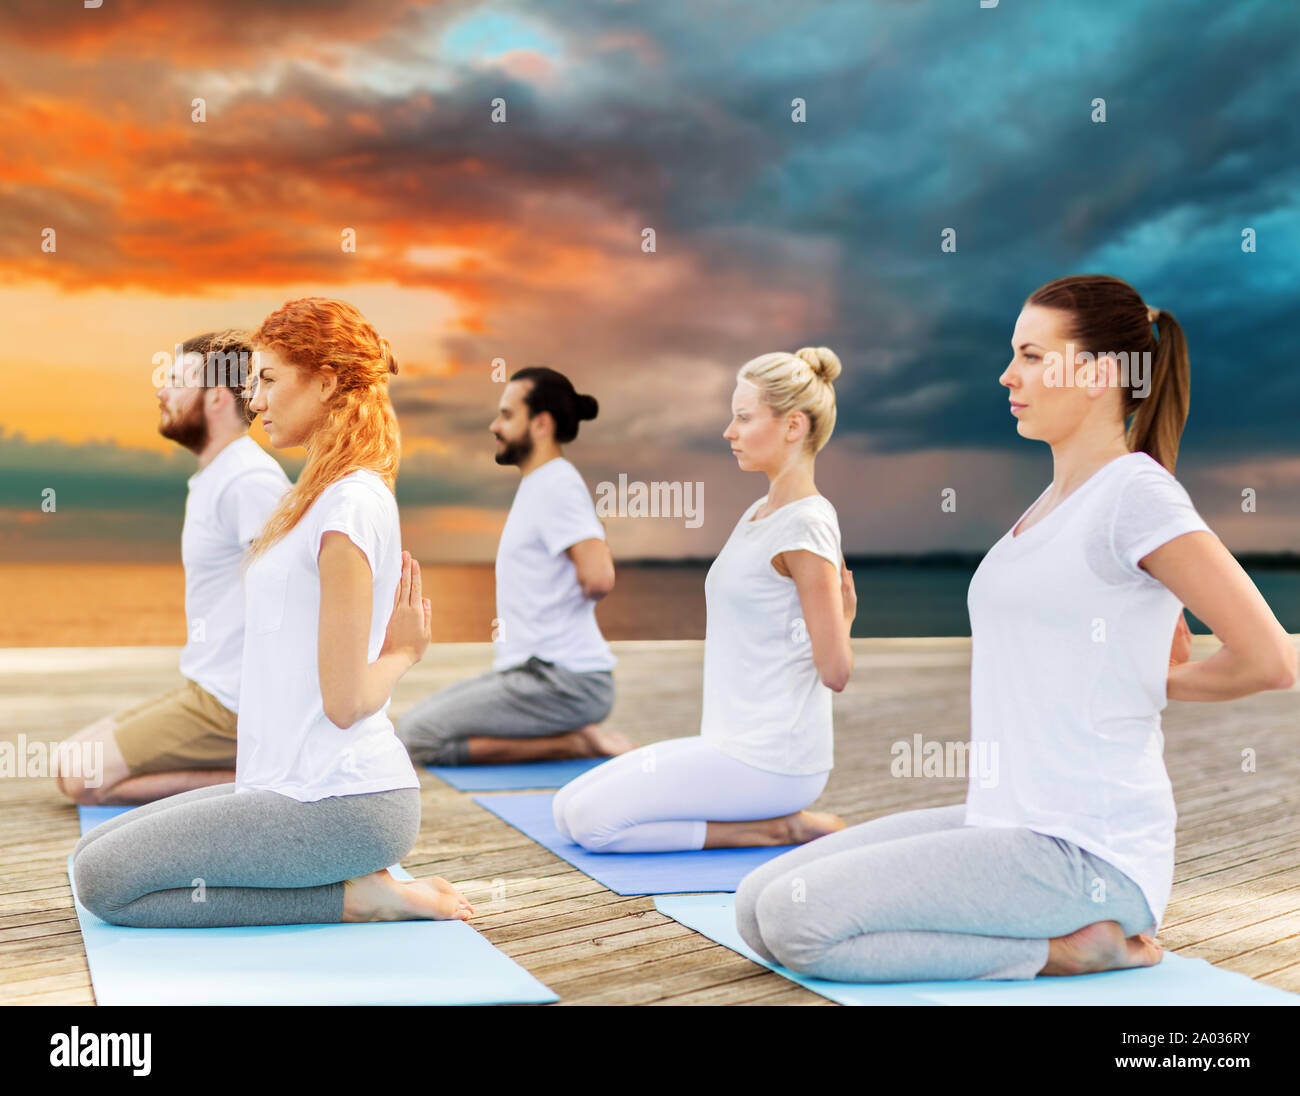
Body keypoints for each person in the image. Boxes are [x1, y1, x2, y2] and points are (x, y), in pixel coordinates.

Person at [735, 275, 1298, 982]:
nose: (1008, 375)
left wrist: (1154, 681)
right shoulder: (1052, 502)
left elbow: (1271, 659)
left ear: (1096, 374)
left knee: (798, 922)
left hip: (1088, 851)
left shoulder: (1137, 493)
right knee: (757, 904)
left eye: (1031, 355)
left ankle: (1069, 950)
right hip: (1003, 818)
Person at [72, 298, 472, 927]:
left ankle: (357, 898)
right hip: (283, 782)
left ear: (327, 381)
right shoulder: (313, 498)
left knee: (102, 883)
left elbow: (344, 702)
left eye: (266, 379)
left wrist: (401, 654)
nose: (253, 400)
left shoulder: (350, 505)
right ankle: (354, 887)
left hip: (341, 801)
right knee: (91, 851)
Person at [551, 347, 853, 853]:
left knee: (591, 825)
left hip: (772, 761)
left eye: (743, 417)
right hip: (727, 745)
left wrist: (844, 618)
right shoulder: (761, 510)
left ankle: (778, 828)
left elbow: (835, 672)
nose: (728, 432)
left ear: (793, 426)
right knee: (565, 808)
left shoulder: (807, 525)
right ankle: (778, 823)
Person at [55, 330, 290, 805]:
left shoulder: (249, 480)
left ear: (218, 398)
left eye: (178, 381)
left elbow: (294, 593)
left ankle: (271, 777)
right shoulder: (218, 474)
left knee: (80, 776)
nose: (161, 391)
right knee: (70, 758)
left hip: (235, 706)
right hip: (208, 689)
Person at [396, 368, 631, 766]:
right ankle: (571, 735)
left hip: (562, 681)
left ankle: (576, 743)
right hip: (533, 675)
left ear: (541, 424)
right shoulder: (541, 484)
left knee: (418, 737)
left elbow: (599, 577)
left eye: (506, 415)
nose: (494, 425)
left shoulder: (557, 484)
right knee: (407, 728)